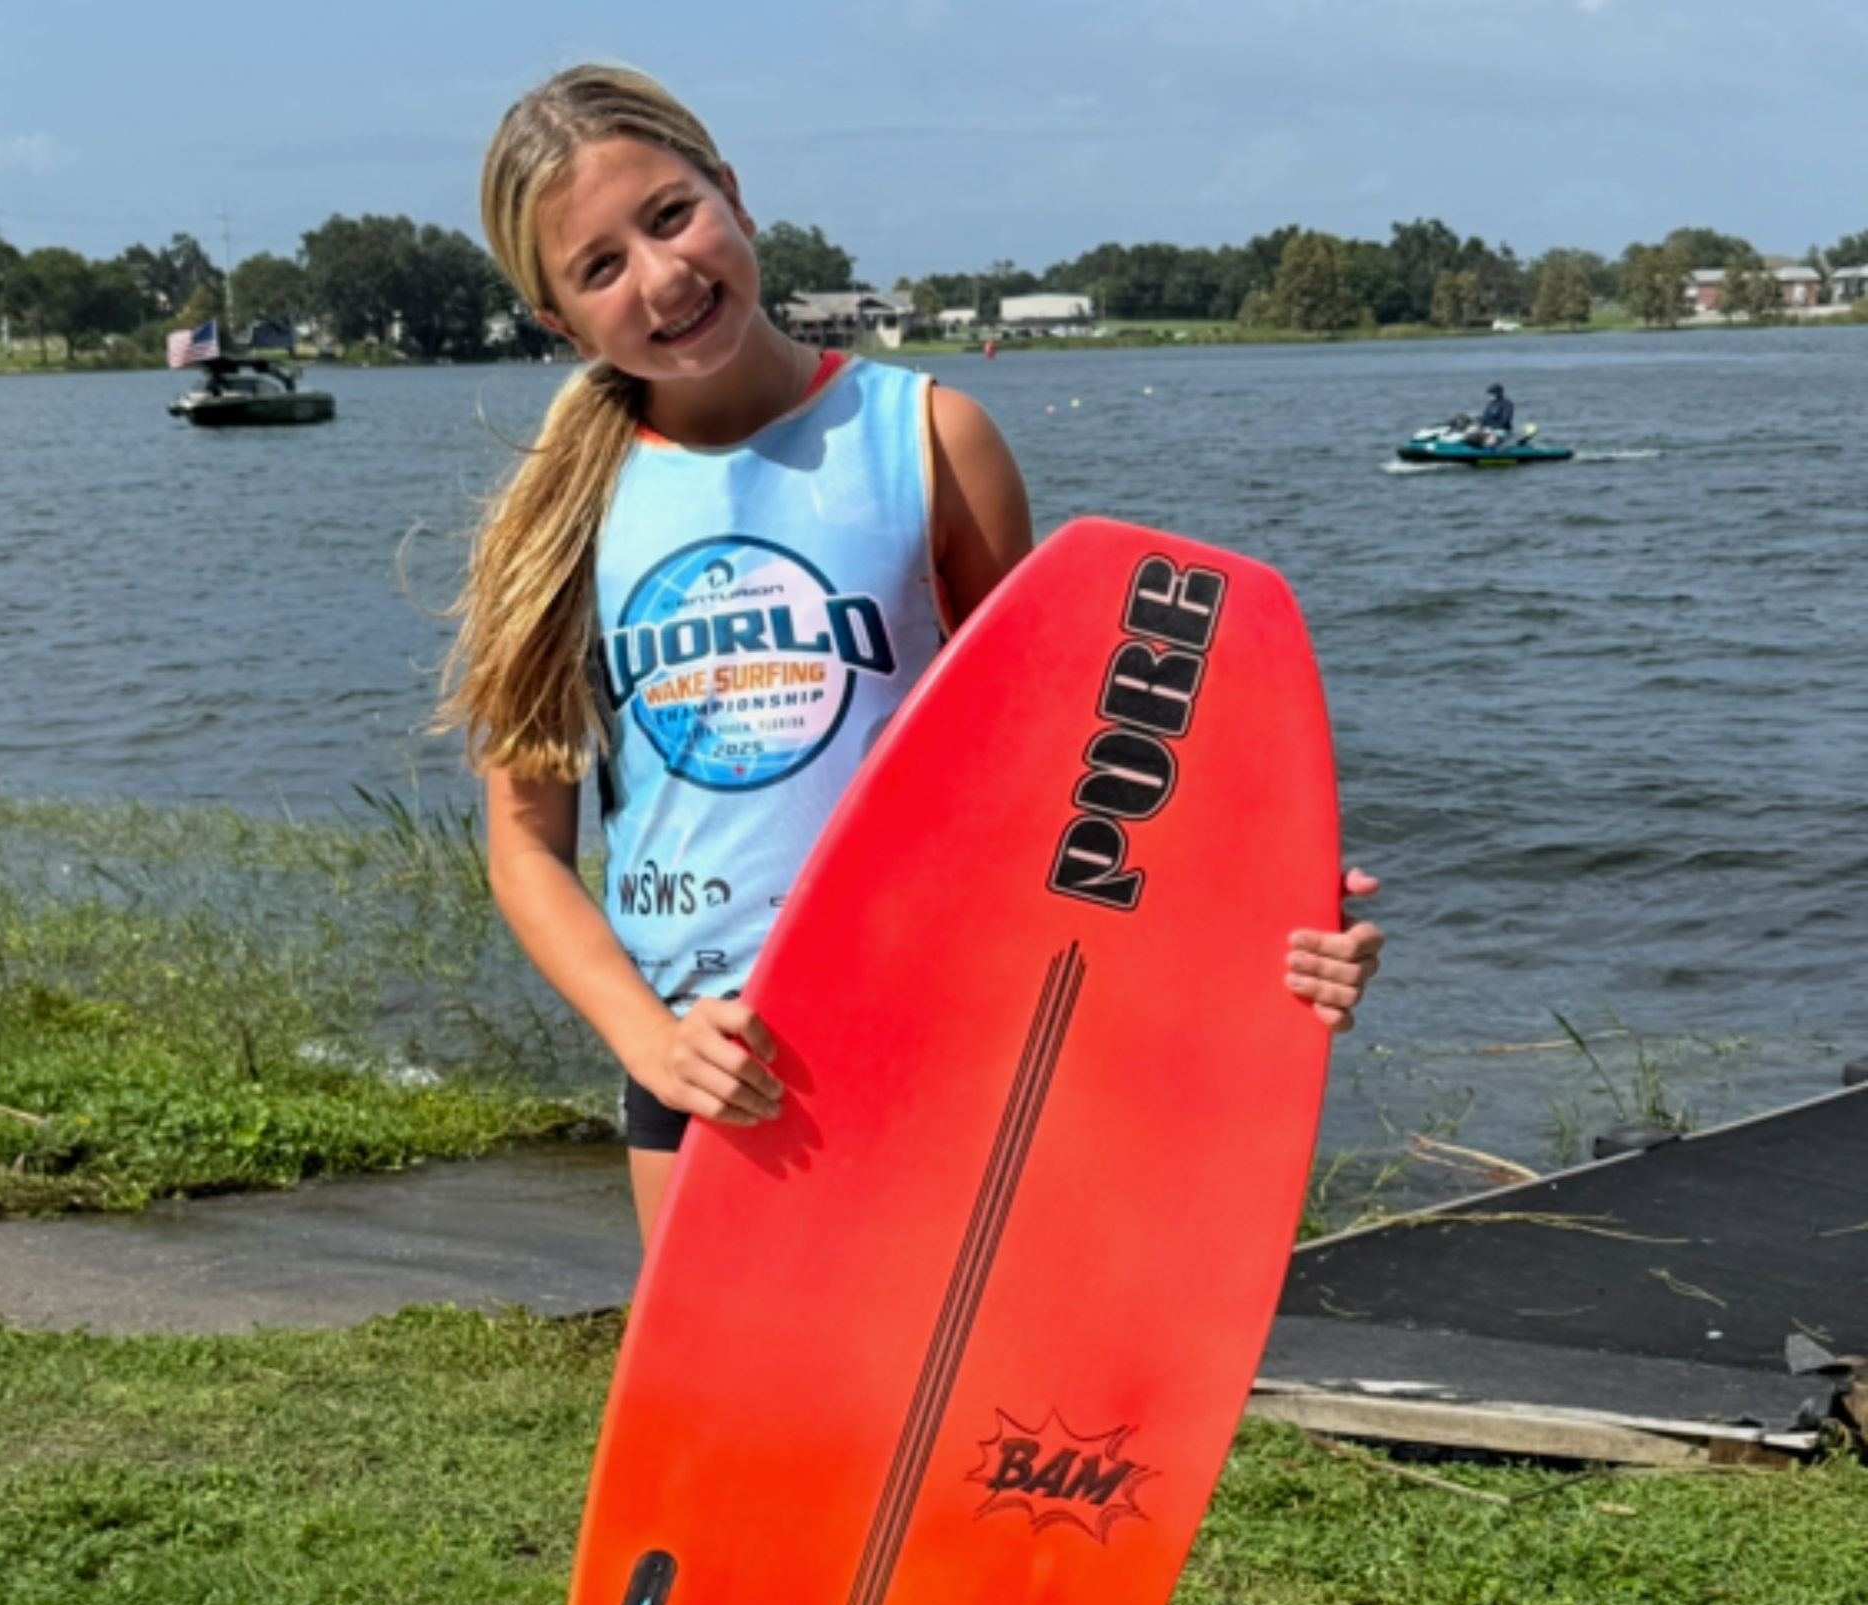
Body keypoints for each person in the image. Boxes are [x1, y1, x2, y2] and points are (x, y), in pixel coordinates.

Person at [441, 64, 1384, 1244]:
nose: (664, 274)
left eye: (672, 213)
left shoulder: (929, 437)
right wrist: (649, 1040)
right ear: (557, 321)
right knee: (746, 1427)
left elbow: (1066, 775)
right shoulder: (555, 522)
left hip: (947, 1027)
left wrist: (1258, 904)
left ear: (733, 196)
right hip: (706, 1065)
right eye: (600, 266)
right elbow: (527, 847)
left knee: (969, 1420)